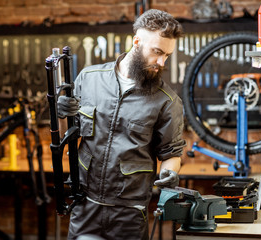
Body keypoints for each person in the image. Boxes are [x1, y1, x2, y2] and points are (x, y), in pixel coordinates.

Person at [57, 9, 186, 240]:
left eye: (167, 55)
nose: (161, 62)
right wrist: (60, 113)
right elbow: (66, 134)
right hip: (85, 205)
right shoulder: (89, 78)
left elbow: (171, 154)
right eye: (157, 52)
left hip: (129, 213)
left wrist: (170, 173)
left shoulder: (167, 101)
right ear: (136, 42)